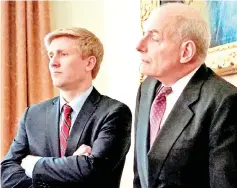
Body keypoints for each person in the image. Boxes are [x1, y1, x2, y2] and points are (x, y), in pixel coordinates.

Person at [1, 27, 132, 188]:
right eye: (50, 55)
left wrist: (35, 165)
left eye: (63, 54)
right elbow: (6, 173)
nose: (53, 63)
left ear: (89, 63)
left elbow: (94, 170)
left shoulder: (114, 113)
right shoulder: (32, 115)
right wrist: (73, 165)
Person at [134, 3, 237, 188]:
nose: (139, 46)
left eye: (154, 37)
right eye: (144, 34)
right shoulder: (147, 89)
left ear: (186, 52)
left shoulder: (225, 102)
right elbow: (141, 174)